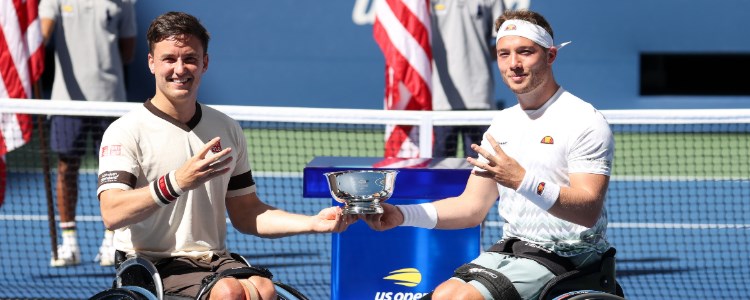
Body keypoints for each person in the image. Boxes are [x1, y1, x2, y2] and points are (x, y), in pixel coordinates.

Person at [96, 11, 353, 299]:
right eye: (169, 59)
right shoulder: (125, 131)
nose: (180, 69)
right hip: (149, 264)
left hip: (214, 259)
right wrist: (177, 182)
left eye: (190, 58)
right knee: (229, 292)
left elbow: (248, 214)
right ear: (151, 63)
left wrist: (312, 223)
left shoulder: (226, 128)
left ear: (204, 63)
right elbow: (112, 212)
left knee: (264, 289)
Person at [361, 9, 615, 300]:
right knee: (443, 295)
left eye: (525, 52)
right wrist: (401, 215)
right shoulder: (502, 124)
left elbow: (587, 210)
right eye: (504, 54)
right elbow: (472, 207)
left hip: (571, 259)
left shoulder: (584, 120)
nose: (514, 64)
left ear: (551, 55)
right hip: (513, 249)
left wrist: (522, 180)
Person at [39, 0, 137, 267]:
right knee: (66, 168)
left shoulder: (124, 2)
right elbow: (42, 36)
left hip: (110, 101)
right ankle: (69, 244)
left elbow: (128, 50)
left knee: (115, 175)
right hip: (65, 101)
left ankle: (112, 242)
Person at [430, 0, 503, 158]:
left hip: (479, 96)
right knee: (441, 167)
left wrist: (479, 56)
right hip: (441, 99)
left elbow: (504, 40)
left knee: (480, 166)